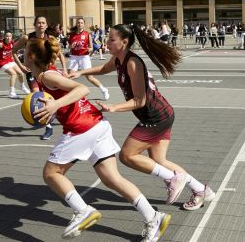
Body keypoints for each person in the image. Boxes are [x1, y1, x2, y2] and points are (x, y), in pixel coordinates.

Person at [25, 36, 170, 241]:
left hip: (82, 127)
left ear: (31, 56)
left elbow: (83, 89)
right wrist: (55, 108)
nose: (21, 55)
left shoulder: (48, 76)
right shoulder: (46, 75)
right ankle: (153, 216)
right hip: (97, 124)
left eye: (24, 53)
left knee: (51, 173)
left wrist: (55, 106)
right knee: (112, 178)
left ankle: (83, 211)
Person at [70, 24, 216, 211]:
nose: (107, 42)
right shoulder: (118, 59)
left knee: (127, 155)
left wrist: (114, 107)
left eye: (111, 39)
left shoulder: (133, 63)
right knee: (160, 161)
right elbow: (103, 69)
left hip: (155, 117)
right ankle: (202, 190)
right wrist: (81, 72)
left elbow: (139, 100)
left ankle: (173, 178)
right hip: (163, 113)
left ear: (124, 42)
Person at [12, 15, 68, 141]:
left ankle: (64, 119)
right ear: (35, 24)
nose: (41, 25)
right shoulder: (28, 38)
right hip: (32, 72)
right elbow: (14, 50)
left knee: (57, 96)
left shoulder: (50, 38)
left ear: (46, 25)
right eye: (38, 22)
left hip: (48, 71)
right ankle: (48, 127)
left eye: (43, 23)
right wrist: (20, 66)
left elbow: (60, 55)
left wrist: (64, 69)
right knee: (37, 97)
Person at [68, 17, 109, 101]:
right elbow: (69, 46)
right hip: (74, 56)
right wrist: (71, 46)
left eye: (81, 23)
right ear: (77, 24)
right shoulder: (72, 35)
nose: (80, 24)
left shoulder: (87, 34)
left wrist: (88, 49)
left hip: (84, 56)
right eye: (78, 23)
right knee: (70, 77)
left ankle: (103, 90)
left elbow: (91, 47)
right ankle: (71, 95)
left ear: (84, 24)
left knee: (89, 78)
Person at [0, 32, 30, 99]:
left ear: (11, 37)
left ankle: (23, 87)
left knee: (21, 73)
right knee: (13, 74)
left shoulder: (12, 43)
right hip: (1, 62)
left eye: (10, 36)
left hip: (9, 60)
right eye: (7, 36)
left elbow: (13, 51)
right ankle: (11, 92)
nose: (8, 37)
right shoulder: (0, 44)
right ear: (4, 37)